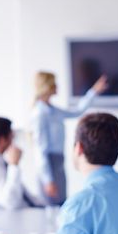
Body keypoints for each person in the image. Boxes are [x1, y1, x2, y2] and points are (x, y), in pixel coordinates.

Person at [31, 71, 107, 205]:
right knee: (51, 208)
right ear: (47, 86)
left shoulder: (52, 110)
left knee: (61, 203)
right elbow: (40, 150)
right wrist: (48, 180)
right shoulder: (40, 114)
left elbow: (77, 111)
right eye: (54, 83)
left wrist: (93, 91)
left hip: (58, 162)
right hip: (49, 165)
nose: (57, 86)